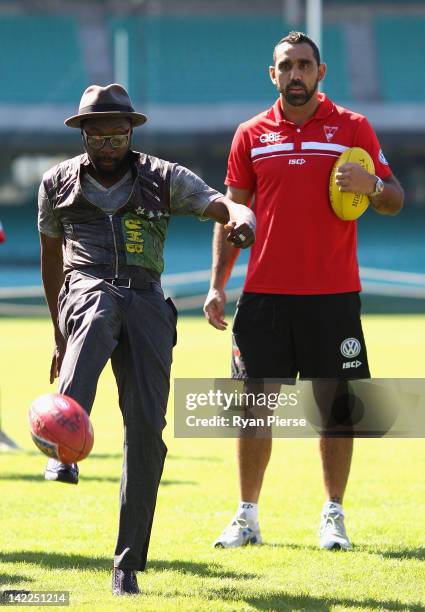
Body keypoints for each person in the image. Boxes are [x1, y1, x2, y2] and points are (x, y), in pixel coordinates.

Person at [38, 83, 255, 596]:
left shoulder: (165, 178)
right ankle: (60, 443)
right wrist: (57, 331)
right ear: (83, 133)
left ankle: (127, 562)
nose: (107, 143)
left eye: (116, 133)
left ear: (131, 131)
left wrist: (241, 218)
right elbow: (52, 260)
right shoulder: (55, 183)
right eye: (97, 134)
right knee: (96, 308)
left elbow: (222, 205)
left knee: (147, 434)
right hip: (86, 288)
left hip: (149, 302)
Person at [203, 31, 404, 550]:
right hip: (264, 296)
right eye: (286, 66)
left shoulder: (354, 128)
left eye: (304, 65)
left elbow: (395, 197)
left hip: (333, 297)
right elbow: (231, 214)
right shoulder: (250, 134)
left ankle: (333, 515)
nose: (295, 75)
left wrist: (374, 187)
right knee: (253, 406)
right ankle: (246, 516)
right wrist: (217, 286)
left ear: (321, 72)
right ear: (273, 75)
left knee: (334, 406)